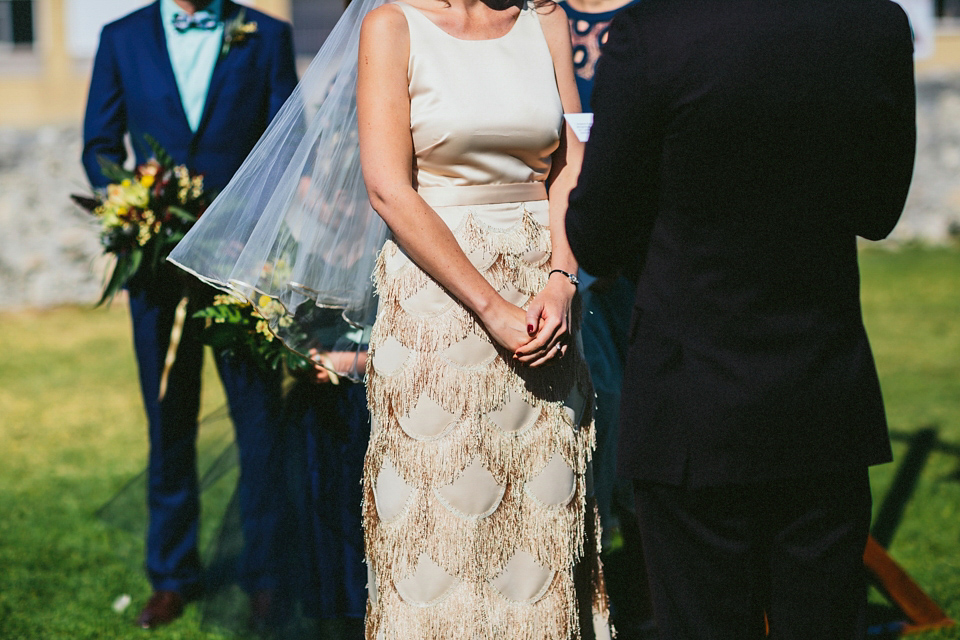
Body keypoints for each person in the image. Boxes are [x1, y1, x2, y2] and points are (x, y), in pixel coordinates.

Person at [565, 0, 916, 638]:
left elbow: (598, 236)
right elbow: (880, 209)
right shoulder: (875, 23)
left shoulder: (652, 33)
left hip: (690, 390)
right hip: (822, 387)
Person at [355, 0, 611, 637]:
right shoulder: (391, 26)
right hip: (435, 306)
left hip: (543, 292)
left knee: (543, 514)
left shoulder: (545, 17)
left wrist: (561, 278)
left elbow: (571, 161)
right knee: (440, 521)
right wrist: (492, 308)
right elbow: (388, 186)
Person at [81, 0, 297, 629]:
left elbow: (287, 145)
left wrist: (248, 225)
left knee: (261, 428)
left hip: (244, 271)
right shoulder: (120, 38)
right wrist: (140, 203)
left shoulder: (268, 36)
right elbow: (99, 146)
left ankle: (266, 574)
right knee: (168, 423)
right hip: (157, 273)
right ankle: (172, 575)